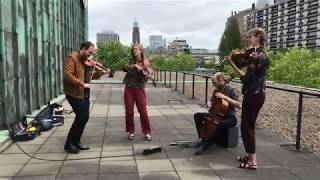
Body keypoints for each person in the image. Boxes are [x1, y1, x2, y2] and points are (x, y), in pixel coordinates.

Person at [226, 28, 270, 169]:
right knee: (249, 125)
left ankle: (252, 161)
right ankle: (249, 155)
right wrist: (233, 73)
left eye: (250, 36)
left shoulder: (256, 56)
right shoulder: (263, 55)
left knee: (247, 126)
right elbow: (249, 70)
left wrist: (231, 63)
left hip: (252, 95)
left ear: (257, 37)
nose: (247, 39)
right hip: (259, 94)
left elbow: (246, 78)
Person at [63, 41, 107, 154]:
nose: (90, 55)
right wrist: (82, 84)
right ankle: (69, 144)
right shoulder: (72, 58)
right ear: (83, 48)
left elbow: (89, 77)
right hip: (74, 93)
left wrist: (101, 73)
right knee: (81, 117)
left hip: (84, 92)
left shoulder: (86, 61)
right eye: (89, 52)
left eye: (91, 53)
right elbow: (68, 75)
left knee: (84, 118)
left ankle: (76, 141)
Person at [193, 72, 241, 155]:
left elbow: (239, 105)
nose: (213, 85)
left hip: (229, 116)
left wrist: (225, 97)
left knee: (220, 124)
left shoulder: (232, 90)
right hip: (215, 114)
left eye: (214, 83)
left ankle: (206, 145)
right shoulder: (216, 90)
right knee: (197, 116)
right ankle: (203, 138)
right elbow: (212, 101)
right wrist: (209, 102)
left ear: (221, 80)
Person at [123, 44, 152, 141]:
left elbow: (148, 73)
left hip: (140, 89)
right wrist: (135, 65)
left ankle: (147, 132)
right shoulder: (131, 61)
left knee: (143, 112)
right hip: (129, 88)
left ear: (141, 51)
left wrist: (148, 72)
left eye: (136, 49)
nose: (134, 50)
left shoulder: (146, 61)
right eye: (133, 49)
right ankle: (131, 131)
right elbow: (125, 68)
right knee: (129, 111)